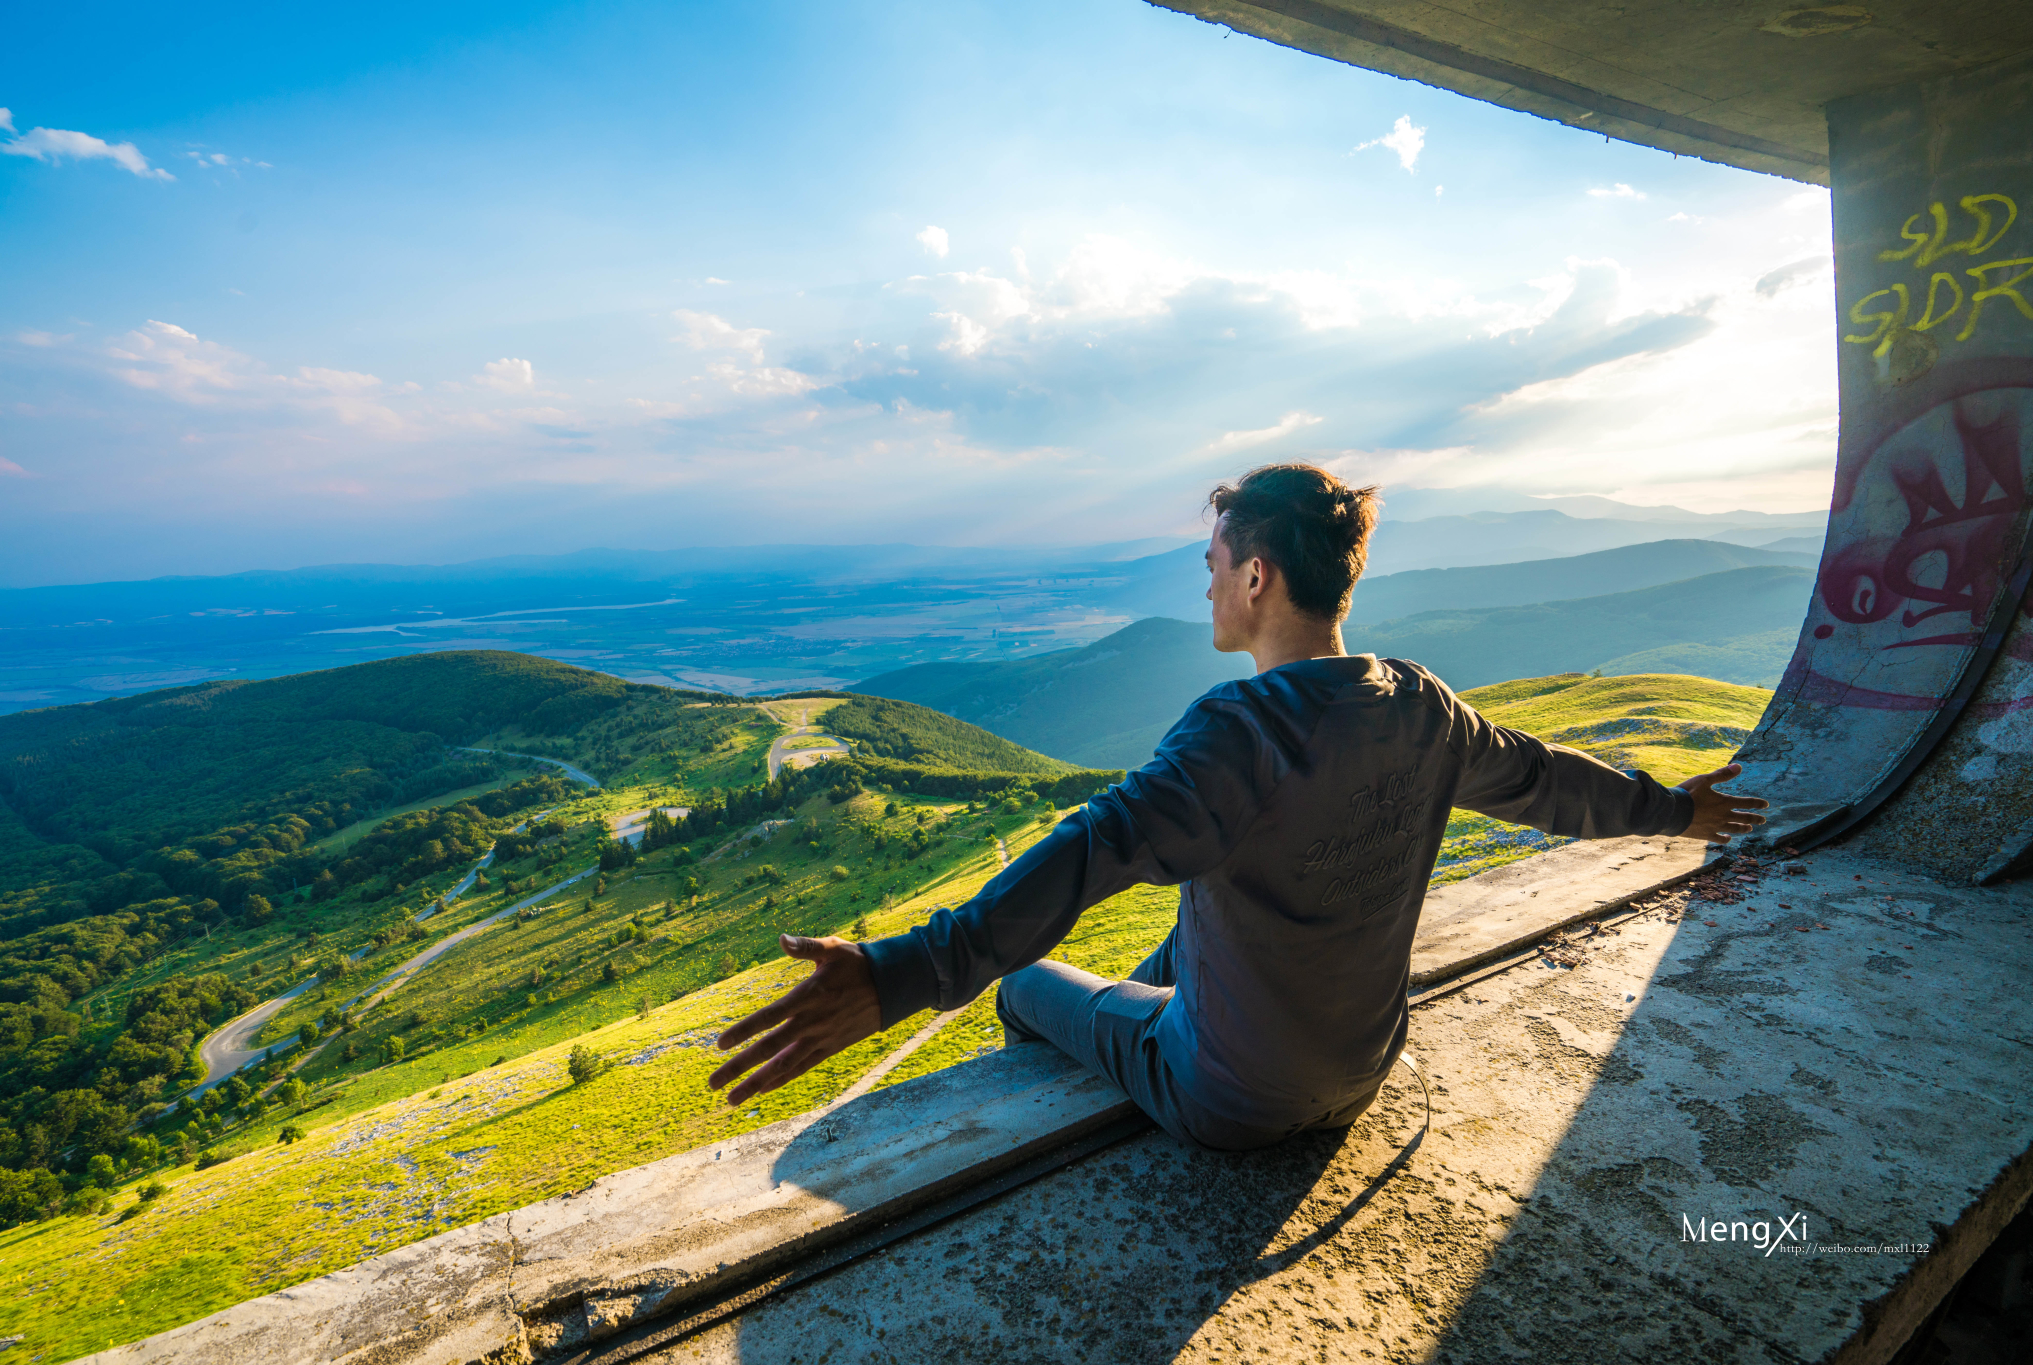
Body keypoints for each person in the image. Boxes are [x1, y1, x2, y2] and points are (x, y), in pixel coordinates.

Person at [708, 463, 1767, 1150]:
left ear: (1255, 575)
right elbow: (1546, 784)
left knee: (1028, 987)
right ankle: (1150, 1007)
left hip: (1228, 1100)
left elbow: (1088, 853)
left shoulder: (1236, 734)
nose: (1206, 589)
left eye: (1213, 568)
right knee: (1195, 916)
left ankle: (1116, 1044)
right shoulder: (1421, 708)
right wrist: (1674, 812)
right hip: (1361, 1068)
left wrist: (904, 971)